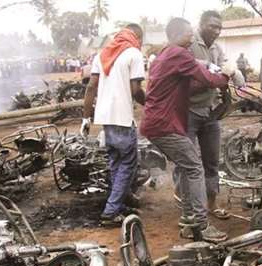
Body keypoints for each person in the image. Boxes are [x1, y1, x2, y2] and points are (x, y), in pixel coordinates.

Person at [140, 17, 232, 242]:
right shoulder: (179, 54)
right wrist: (227, 74)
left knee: (188, 167)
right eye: (190, 33)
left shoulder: (164, 54)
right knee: (195, 169)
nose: (192, 36)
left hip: (157, 123)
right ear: (179, 34)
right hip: (165, 125)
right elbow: (209, 80)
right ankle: (201, 224)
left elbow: (191, 83)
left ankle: (190, 220)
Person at [83, 23, 146, 225]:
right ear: (137, 37)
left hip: (106, 119)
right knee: (128, 164)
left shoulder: (102, 55)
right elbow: (136, 90)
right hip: (122, 117)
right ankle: (110, 212)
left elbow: (91, 86)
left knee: (116, 163)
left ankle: (119, 202)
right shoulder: (134, 53)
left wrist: (86, 117)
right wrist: (151, 104)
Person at [175, 10, 232, 221]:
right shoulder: (188, 43)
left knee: (212, 162)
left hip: (210, 113)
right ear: (201, 24)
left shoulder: (217, 48)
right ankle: (188, 210)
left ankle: (211, 204)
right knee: (188, 163)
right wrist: (212, 76)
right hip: (188, 112)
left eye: (219, 28)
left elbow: (224, 72)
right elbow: (182, 77)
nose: (216, 31)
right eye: (212, 26)